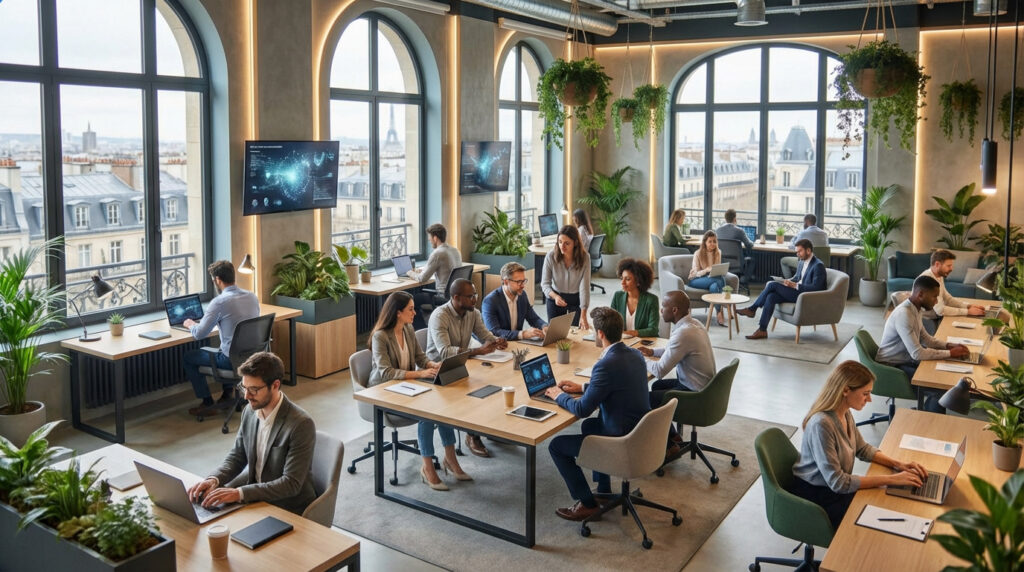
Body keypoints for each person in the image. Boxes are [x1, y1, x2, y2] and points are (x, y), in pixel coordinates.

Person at [789, 360, 928, 530]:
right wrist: (891, 480)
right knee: (877, 515)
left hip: (832, 489)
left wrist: (898, 464)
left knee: (888, 502)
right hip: (816, 495)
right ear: (846, 390)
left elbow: (862, 449)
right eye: (865, 393)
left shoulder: (844, 412)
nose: (869, 399)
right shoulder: (822, 424)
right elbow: (838, 483)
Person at [544, 307, 651, 521]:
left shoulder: (605, 364)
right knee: (590, 427)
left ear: (600, 334)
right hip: (641, 434)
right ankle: (602, 489)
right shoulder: (635, 354)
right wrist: (583, 387)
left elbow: (582, 409)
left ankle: (587, 503)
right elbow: (617, 385)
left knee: (556, 446)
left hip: (622, 440)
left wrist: (558, 395)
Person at [186, 352, 317, 515]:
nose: (246, 396)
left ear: (275, 385)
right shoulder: (249, 411)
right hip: (257, 497)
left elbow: (290, 483)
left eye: (254, 389)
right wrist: (214, 479)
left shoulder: (300, 424)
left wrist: (239, 494)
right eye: (243, 387)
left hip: (287, 506)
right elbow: (237, 456)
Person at [368, 292, 472, 490]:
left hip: (404, 386)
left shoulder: (407, 329)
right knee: (427, 414)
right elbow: (386, 372)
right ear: (397, 312)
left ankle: (450, 458)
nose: (415, 313)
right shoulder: (380, 336)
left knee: (443, 405)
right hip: (383, 390)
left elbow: (420, 357)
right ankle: (427, 468)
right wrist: (421, 374)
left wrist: (434, 365)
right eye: (410, 309)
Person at [427, 278, 508, 457]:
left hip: (463, 363)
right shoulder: (440, 316)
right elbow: (445, 352)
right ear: (456, 298)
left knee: (496, 382)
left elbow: (483, 334)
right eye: (471, 296)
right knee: (478, 391)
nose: (475, 299)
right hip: (438, 370)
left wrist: (495, 341)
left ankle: (491, 428)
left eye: (476, 295)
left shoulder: (473, 312)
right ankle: (473, 436)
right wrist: (479, 350)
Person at [638, 291, 716, 457]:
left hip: (696, 394)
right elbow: (672, 349)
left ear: (674, 310)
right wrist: (651, 351)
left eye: (663, 307)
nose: (661, 311)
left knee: (646, 399)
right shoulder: (694, 324)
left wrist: (638, 357)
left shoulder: (683, 333)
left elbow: (659, 371)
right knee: (658, 387)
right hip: (707, 389)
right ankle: (673, 435)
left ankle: (669, 446)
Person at [875, 275, 969, 411]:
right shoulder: (905, 314)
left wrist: (948, 346)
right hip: (892, 367)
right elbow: (917, 353)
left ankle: (925, 413)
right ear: (920, 294)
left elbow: (927, 339)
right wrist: (950, 353)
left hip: (904, 359)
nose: (937, 301)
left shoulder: (916, 309)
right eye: (934, 297)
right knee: (939, 388)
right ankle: (927, 421)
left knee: (940, 376)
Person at [183, 260, 260, 417]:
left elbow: (199, 334)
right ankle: (227, 395)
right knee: (224, 347)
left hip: (231, 361)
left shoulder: (219, 302)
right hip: (253, 358)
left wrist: (190, 324)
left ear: (217, 280)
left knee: (188, 357)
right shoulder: (252, 297)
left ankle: (207, 403)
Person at [737, 239, 826, 339]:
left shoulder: (818, 265)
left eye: (800, 251)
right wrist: (787, 281)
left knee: (772, 285)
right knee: (771, 297)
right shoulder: (801, 261)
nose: (798, 254)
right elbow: (797, 278)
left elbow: (816, 288)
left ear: (808, 251)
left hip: (805, 296)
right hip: (797, 292)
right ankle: (762, 330)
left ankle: (752, 309)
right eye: (796, 252)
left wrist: (795, 286)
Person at [411, 223, 462, 329]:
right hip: (457, 294)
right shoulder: (455, 251)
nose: (429, 241)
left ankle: (422, 330)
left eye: (430, 238)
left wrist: (409, 272)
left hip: (442, 295)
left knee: (411, 300)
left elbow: (422, 278)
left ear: (435, 238)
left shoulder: (437, 253)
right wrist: (424, 269)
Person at [540, 225, 591, 330]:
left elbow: (584, 288)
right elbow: (545, 284)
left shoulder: (585, 258)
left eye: (567, 243)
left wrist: (583, 315)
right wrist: (555, 297)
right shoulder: (550, 256)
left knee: (575, 333)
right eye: (560, 242)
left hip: (575, 299)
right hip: (555, 297)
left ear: (575, 243)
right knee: (555, 333)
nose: (562, 246)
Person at [481, 261, 547, 340]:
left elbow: (533, 318)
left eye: (523, 281)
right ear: (506, 281)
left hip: (517, 344)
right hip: (498, 345)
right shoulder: (490, 301)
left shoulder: (522, 296)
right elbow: (494, 331)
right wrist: (523, 334)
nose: (523, 285)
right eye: (519, 282)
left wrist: (544, 326)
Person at [919, 249, 986, 320]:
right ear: (937, 264)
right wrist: (968, 312)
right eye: (948, 266)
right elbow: (940, 310)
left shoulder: (938, 276)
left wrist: (968, 306)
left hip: (938, 316)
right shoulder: (928, 280)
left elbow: (947, 299)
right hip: (928, 321)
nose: (952, 268)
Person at [611, 258, 659, 337]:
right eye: (622, 278)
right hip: (623, 343)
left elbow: (653, 330)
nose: (622, 282)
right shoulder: (617, 296)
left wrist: (629, 333)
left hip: (643, 344)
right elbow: (610, 323)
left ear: (638, 282)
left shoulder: (651, 300)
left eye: (627, 279)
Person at [688, 230, 727, 327]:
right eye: (710, 241)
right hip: (696, 280)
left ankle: (718, 313)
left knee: (714, 287)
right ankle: (724, 304)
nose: (712, 244)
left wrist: (714, 271)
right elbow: (695, 273)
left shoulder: (718, 252)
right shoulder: (698, 253)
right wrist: (706, 270)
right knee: (720, 279)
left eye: (714, 241)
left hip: (711, 279)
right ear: (705, 242)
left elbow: (717, 271)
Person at [781, 214, 829, 279]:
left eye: (804, 222)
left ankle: (788, 282)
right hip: (821, 263)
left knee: (783, 261)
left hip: (807, 263)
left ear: (806, 221)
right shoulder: (824, 234)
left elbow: (794, 247)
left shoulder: (803, 233)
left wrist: (793, 240)